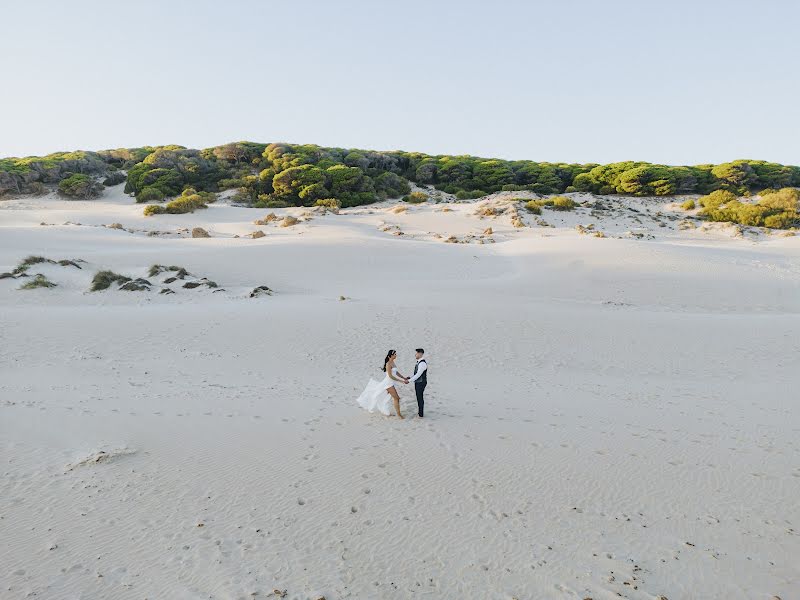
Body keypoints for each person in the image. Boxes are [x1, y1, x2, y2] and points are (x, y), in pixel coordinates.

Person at [356, 349, 409, 418]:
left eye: (396, 354)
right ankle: (399, 415)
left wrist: (404, 377)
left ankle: (388, 412)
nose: (396, 355)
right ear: (391, 355)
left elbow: (396, 372)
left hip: (391, 383)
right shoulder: (388, 364)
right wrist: (401, 381)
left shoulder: (393, 362)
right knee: (396, 398)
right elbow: (390, 376)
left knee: (386, 398)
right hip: (388, 383)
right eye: (395, 354)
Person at [406, 348, 427, 418]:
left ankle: (421, 414)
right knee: (419, 397)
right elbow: (416, 373)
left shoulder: (422, 363)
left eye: (416, 353)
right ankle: (420, 413)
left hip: (421, 383)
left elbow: (418, 374)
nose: (415, 355)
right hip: (418, 382)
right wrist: (410, 377)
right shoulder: (419, 362)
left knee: (420, 397)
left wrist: (409, 381)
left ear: (420, 354)